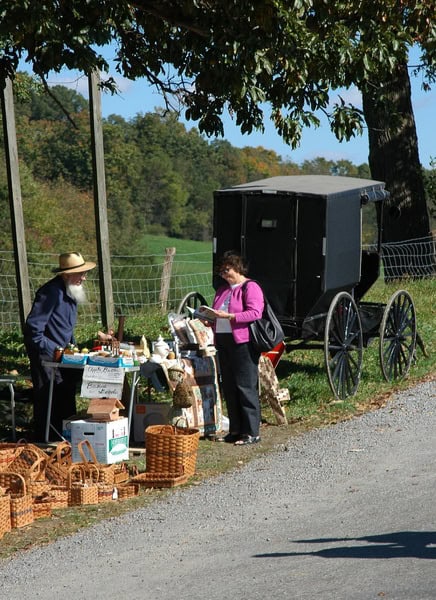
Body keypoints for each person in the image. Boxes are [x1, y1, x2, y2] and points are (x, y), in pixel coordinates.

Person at [24, 251, 96, 441]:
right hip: (47, 358)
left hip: (63, 357)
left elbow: (64, 327)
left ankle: (65, 443)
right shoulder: (51, 292)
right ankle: (45, 443)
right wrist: (53, 351)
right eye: (80, 273)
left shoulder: (70, 290)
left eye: (84, 272)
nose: (83, 277)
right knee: (49, 400)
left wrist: (73, 349)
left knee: (66, 398)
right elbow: (33, 329)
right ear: (66, 274)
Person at [211, 251, 264, 445]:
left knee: (245, 386)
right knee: (230, 387)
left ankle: (251, 431)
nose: (225, 275)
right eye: (222, 272)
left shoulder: (251, 287)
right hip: (223, 340)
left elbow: (255, 312)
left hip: (243, 341)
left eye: (227, 270)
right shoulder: (222, 290)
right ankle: (235, 430)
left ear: (237, 268)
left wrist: (231, 317)